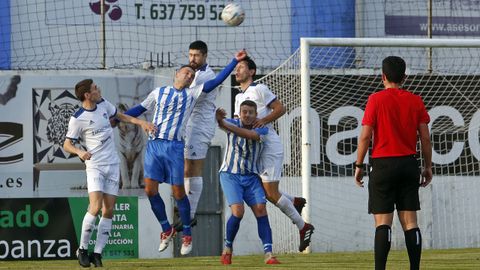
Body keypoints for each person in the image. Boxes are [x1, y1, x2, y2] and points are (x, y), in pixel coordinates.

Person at [123, 50, 247, 256]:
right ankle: (166, 229)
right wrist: (117, 117)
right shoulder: (158, 92)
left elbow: (216, 81)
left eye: (191, 74)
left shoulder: (192, 93)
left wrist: (234, 61)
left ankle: (187, 233)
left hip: (174, 147)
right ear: (176, 75)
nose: (189, 75)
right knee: (150, 190)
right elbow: (137, 110)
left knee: (179, 192)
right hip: (154, 146)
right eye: (185, 72)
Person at [63, 79, 155, 268]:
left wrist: (141, 123)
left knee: (108, 210)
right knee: (95, 207)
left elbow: (120, 116)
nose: (99, 89)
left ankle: (97, 254)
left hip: (112, 165)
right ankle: (82, 249)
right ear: (88, 95)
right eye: (95, 88)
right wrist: (80, 152)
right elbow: (67, 144)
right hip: (95, 165)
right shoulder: (78, 118)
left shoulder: (104, 104)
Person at [354, 56, 433, 270]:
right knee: (410, 223)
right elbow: (425, 138)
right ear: (405, 77)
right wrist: (427, 166)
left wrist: (359, 166)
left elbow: (365, 137)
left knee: (383, 223)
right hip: (408, 165)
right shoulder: (416, 100)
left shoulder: (375, 100)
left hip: (383, 165)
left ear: (383, 77)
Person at [233, 56, 315, 252]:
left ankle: (304, 227)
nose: (237, 71)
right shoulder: (238, 97)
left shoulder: (259, 89)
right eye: (236, 68)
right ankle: (295, 201)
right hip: (255, 150)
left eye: (241, 67)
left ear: (251, 71)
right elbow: (239, 123)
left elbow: (280, 108)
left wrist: (264, 120)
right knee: (262, 190)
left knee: (270, 193)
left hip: (269, 146)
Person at [216, 101, 280, 265]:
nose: (248, 115)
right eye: (244, 112)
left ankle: (269, 254)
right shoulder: (231, 122)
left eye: (251, 112)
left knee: (261, 210)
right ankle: (228, 249)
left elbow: (250, 136)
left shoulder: (262, 127)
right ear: (239, 112)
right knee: (238, 212)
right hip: (230, 175)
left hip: (251, 177)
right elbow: (220, 123)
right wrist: (219, 120)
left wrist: (223, 123)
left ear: (256, 114)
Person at [174, 40, 217, 232]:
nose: (192, 59)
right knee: (186, 169)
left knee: (193, 169)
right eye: (190, 55)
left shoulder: (205, 75)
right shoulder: (195, 73)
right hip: (190, 126)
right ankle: (187, 212)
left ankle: (189, 214)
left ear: (205, 56)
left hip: (200, 127)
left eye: (196, 55)